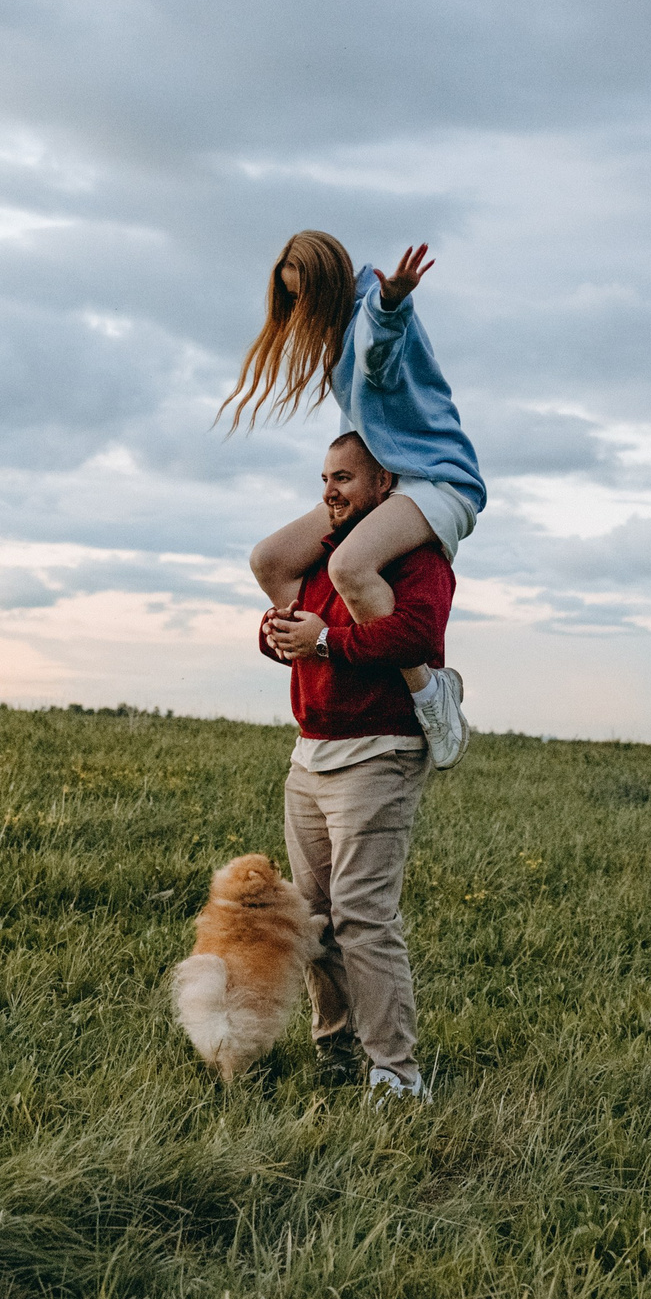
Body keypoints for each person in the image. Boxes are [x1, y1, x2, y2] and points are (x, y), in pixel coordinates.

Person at [223, 229, 480, 768]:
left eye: (302, 295)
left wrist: (391, 302)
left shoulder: (369, 313)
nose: (297, 308)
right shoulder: (339, 331)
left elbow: (379, 350)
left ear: (328, 282)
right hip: (382, 480)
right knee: (269, 559)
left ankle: (430, 693)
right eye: (289, 298)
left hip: (435, 481)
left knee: (351, 564)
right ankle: (321, 658)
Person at [258, 432, 451, 1101]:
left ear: (385, 485)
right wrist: (278, 634)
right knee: (315, 915)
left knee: (363, 914)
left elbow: (419, 634)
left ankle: (395, 1072)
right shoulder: (330, 553)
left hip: (380, 750)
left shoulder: (415, 557)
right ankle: (336, 1050)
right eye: (324, 477)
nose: (328, 490)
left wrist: (329, 642)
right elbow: (293, 619)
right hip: (310, 750)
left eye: (344, 477)